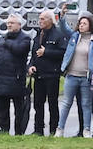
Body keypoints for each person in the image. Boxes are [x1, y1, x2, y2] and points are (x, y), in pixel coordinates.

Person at [28, 7, 71, 136]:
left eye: (42, 19)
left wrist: (47, 52)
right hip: (39, 74)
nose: (40, 21)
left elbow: (63, 53)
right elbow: (34, 53)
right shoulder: (38, 34)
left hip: (52, 74)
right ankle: (38, 129)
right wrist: (31, 66)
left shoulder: (58, 34)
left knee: (52, 103)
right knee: (37, 103)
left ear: (50, 20)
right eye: (39, 18)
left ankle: (54, 130)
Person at [57, 12, 93, 138]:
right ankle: (60, 128)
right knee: (66, 102)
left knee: (86, 104)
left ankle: (87, 129)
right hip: (72, 75)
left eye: (84, 24)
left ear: (90, 26)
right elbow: (64, 28)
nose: (81, 26)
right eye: (80, 23)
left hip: (86, 77)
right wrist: (62, 17)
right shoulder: (74, 36)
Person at [0, 15, 33, 136]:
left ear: (19, 25)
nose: (9, 25)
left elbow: (19, 50)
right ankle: (4, 131)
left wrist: (6, 42)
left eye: (12, 23)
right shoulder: (2, 39)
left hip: (16, 79)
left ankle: (18, 132)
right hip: (1, 79)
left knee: (19, 110)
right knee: (2, 109)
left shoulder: (25, 38)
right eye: (8, 23)